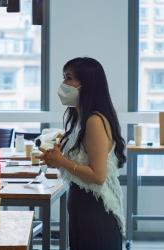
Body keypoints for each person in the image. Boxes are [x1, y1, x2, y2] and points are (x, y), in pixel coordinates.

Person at [40, 57, 126, 250]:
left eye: (69, 78)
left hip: (95, 210)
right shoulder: (80, 119)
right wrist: (56, 159)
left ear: (87, 85)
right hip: (81, 205)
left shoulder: (94, 121)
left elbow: (98, 175)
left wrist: (61, 161)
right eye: (64, 78)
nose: (63, 84)